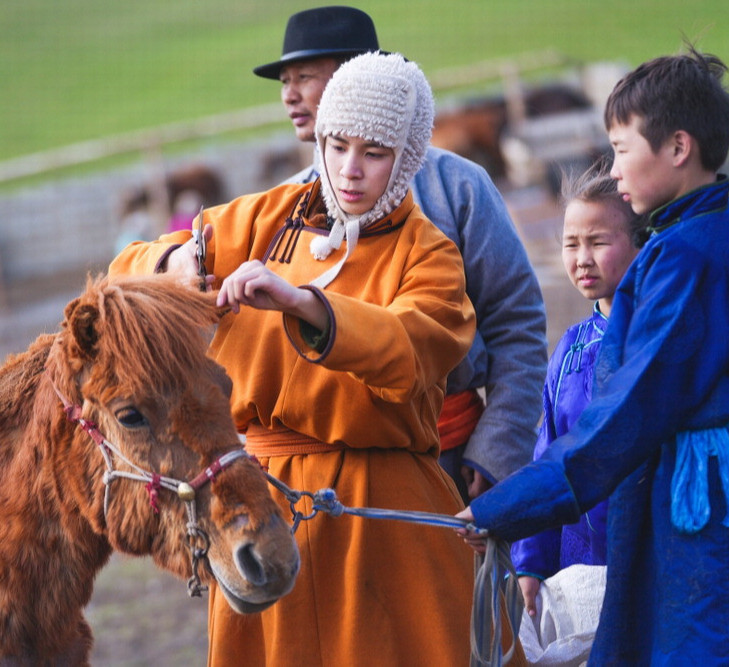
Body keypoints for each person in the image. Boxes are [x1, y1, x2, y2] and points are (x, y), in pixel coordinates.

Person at [111, 52, 509, 666]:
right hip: (259, 504)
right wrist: (173, 265)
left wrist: (309, 307)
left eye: (375, 153)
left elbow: (410, 347)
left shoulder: (430, 254)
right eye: (336, 145)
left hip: (384, 511)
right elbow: (125, 271)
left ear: (405, 159)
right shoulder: (264, 218)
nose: (349, 170)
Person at [457, 45, 729, 664]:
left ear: (679, 148)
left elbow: (628, 414)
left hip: (699, 520)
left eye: (623, 150)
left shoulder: (682, 258)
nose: (616, 168)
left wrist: (505, 509)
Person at [253, 6, 548, 501]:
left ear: (358, 73)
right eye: (284, 80)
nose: (288, 95)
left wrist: (498, 450)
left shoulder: (458, 187)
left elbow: (515, 320)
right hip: (321, 480)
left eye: (304, 76)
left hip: (448, 460)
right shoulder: (280, 208)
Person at [511, 161, 643, 664]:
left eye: (598, 242)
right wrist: (530, 566)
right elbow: (549, 460)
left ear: (640, 242)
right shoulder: (568, 351)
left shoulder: (657, 341)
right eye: (571, 244)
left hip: (651, 552)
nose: (582, 259)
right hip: (582, 567)